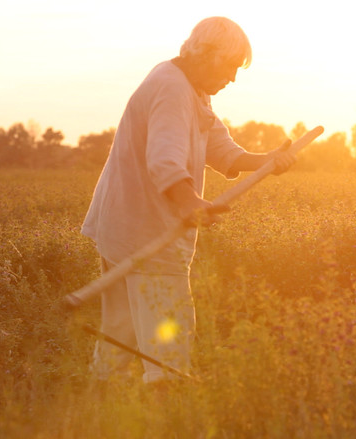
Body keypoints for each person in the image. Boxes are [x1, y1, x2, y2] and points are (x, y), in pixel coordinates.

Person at [81, 16, 296, 384]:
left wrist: (266, 161)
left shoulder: (191, 87)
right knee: (170, 339)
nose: (233, 77)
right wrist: (188, 201)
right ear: (208, 54)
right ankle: (170, 408)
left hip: (122, 226)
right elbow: (163, 159)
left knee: (120, 331)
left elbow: (219, 147)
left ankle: (100, 404)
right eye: (230, 66)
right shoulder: (171, 89)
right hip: (147, 233)